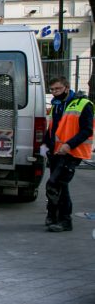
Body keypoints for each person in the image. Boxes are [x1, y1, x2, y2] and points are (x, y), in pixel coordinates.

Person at [42, 76, 93, 232]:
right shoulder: (57, 104)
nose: (55, 92)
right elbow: (53, 127)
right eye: (52, 90)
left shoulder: (83, 104)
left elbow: (87, 130)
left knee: (58, 184)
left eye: (57, 89)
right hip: (56, 152)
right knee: (54, 184)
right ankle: (53, 216)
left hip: (72, 152)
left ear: (66, 87)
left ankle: (65, 220)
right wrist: (45, 144)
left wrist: (69, 145)